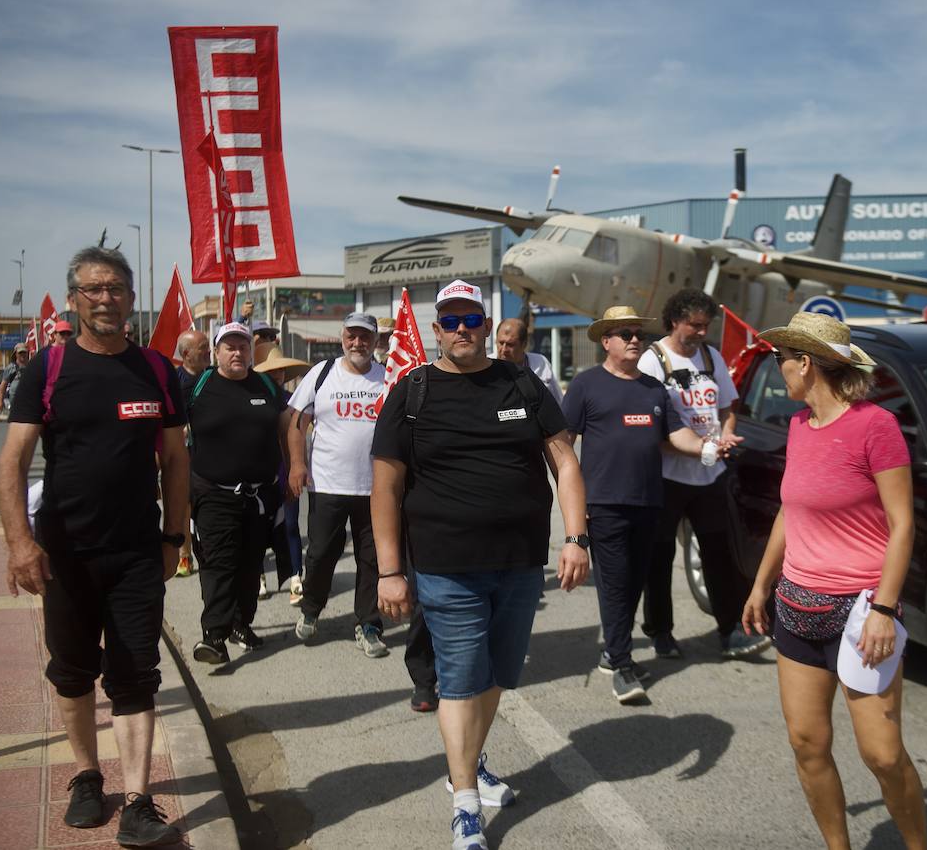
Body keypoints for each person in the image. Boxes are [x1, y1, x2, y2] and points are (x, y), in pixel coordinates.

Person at [372, 280, 589, 850]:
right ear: (436, 329)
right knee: (461, 682)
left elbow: (565, 461)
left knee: (497, 675)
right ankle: (465, 800)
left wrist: (576, 538)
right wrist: (389, 571)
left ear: (486, 327)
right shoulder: (412, 390)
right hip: (446, 566)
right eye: (451, 320)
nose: (462, 329)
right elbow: (385, 487)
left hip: (520, 565)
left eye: (472, 319)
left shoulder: (522, 381)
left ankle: (464, 765)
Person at [0, 245, 188, 847]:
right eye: (93, 289)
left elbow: (177, 461)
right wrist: (20, 545)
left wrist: (175, 537)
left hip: (136, 552)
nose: (106, 299)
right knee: (72, 672)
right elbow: (12, 461)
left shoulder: (158, 371)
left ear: (132, 299)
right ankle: (86, 776)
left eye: (117, 290)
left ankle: (137, 801)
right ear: (75, 298)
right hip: (66, 554)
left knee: (136, 673)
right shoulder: (47, 370)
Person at [741, 313, 927, 849]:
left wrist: (885, 611)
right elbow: (788, 512)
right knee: (807, 743)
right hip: (796, 608)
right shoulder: (800, 426)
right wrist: (760, 586)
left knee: (883, 755)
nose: (779, 370)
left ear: (806, 363)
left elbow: (903, 525)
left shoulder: (875, 426)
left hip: (861, 613)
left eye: (783, 360)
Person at [562, 306, 709, 703]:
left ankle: (614, 652)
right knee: (614, 585)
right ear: (605, 341)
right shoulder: (586, 385)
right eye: (624, 334)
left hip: (648, 502)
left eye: (637, 334)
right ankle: (622, 664)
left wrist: (709, 446)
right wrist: (571, 503)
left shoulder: (653, 389)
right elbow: (562, 444)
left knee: (633, 584)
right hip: (605, 504)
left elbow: (676, 436)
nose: (633, 340)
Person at [637, 289, 767, 660]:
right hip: (668, 476)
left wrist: (725, 435)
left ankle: (730, 631)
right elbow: (650, 425)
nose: (700, 333)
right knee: (659, 558)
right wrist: (694, 446)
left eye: (705, 326)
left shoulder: (710, 357)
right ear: (675, 320)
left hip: (711, 476)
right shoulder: (652, 361)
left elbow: (728, 406)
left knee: (719, 553)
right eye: (694, 325)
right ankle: (661, 632)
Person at [286, 312, 392, 656]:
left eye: (365, 337)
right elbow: (297, 424)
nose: (357, 343)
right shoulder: (322, 374)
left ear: (376, 341)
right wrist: (297, 464)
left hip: (375, 489)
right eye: (352, 336)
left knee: (372, 560)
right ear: (342, 337)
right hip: (328, 485)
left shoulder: (388, 378)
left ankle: (369, 624)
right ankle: (311, 611)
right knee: (319, 555)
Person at [186, 323, 291, 663]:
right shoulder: (197, 386)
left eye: (242, 346)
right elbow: (170, 432)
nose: (236, 352)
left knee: (250, 565)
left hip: (259, 496)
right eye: (228, 346)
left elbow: (291, 421)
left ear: (251, 351)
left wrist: (294, 468)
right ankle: (213, 637)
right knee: (219, 564)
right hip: (213, 493)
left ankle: (240, 623)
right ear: (215, 352)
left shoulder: (265, 385)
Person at [255, 346, 311, 603]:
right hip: (261, 473)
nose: (278, 375)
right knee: (259, 528)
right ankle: (260, 577)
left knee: (290, 524)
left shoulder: (294, 401)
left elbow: (301, 434)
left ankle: (296, 576)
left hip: (286, 469)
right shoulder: (254, 399)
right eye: (272, 371)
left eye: (281, 371)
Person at [173, 329, 211, 577]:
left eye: (209, 346)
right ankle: (184, 556)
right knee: (183, 505)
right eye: (203, 348)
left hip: (211, 453)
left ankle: (210, 552)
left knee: (208, 505)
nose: (209, 351)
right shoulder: (174, 382)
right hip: (185, 454)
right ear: (186, 355)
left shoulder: (215, 377)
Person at [494, 317, 563, 403]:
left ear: (524, 344)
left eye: (510, 345)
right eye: (500, 343)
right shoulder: (486, 365)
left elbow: (558, 401)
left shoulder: (541, 363)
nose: (504, 349)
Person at [0, 344, 31, 411]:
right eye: (20, 353)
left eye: (24, 352)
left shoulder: (32, 366)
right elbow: (3, 385)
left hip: (30, 401)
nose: (23, 355)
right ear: (15, 354)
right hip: (15, 403)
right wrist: (0, 401)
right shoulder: (10, 368)